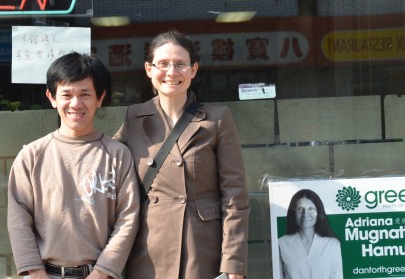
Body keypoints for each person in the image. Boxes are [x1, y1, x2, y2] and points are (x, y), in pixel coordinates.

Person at [114, 29, 249, 279]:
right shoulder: (134, 117)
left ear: (194, 70)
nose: (172, 72)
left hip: (202, 248)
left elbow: (235, 195)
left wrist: (233, 261)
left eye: (180, 64)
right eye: (163, 64)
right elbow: (106, 165)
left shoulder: (217, 118)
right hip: (147, 247)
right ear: (148, 69)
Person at [7, 52, 140, 279]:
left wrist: (102, 272)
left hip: (101, 274)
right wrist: (36, 272)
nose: (76, 103)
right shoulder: (32, 155)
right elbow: (18, 219)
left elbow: (128, 218)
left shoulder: (118, 155)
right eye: (66, 94)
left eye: (85, 94)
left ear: (100, 98)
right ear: (51, 97)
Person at [278, 189, 343, 279]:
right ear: (293, 213)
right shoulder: (281, 244)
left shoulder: (332, 244)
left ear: (318, 212)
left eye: (311, 209)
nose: (305, 214)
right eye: (300, 209)